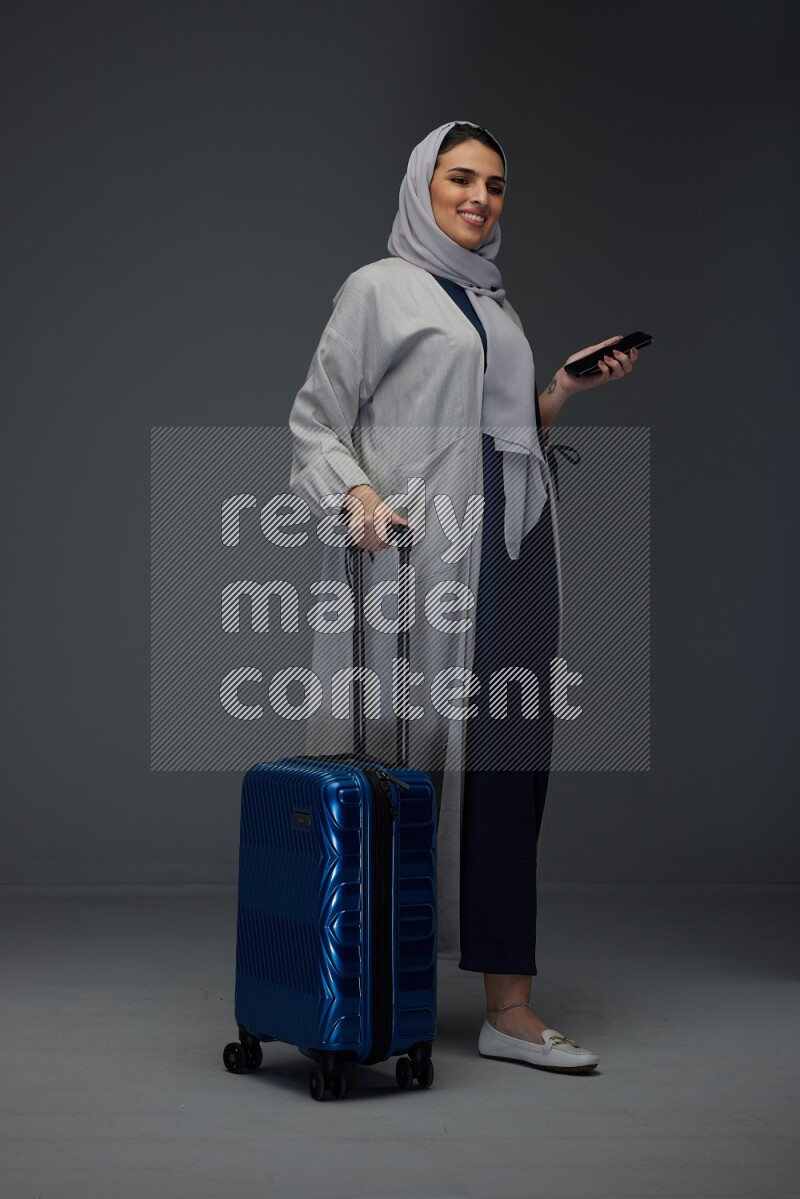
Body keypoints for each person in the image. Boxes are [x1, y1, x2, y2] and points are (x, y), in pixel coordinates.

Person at [288, 120, 639, 1074]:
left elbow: (501, 432)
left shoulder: (498, 305)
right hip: (425, 555)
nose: (479, 197)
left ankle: (509, 1009)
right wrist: (356, 496)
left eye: (494, 184)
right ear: (422, 185)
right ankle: (362, 990)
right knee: (407, 760)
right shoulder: (378, 289)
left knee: (511, 764)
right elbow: (315, 422)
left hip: (521, 550)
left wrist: (559, 389)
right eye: (460, 178)